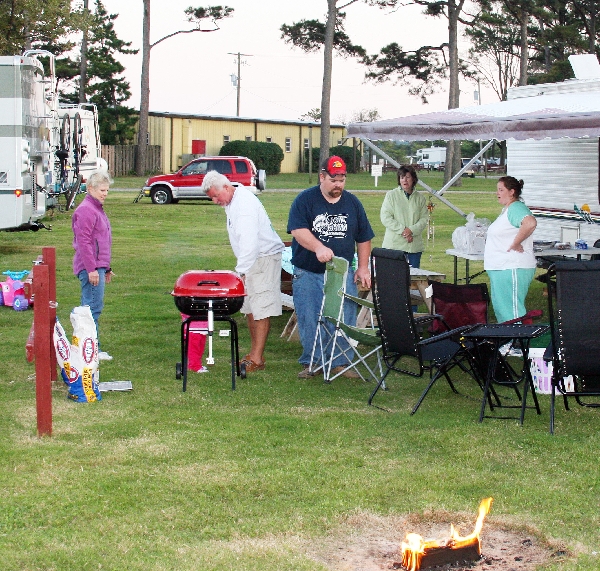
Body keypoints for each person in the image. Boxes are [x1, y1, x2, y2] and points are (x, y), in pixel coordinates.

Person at [287, 156, 375, 379]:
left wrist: (363, 267)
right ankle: (313, 362)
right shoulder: (305, 200)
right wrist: (318, 247)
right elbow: (297, 230)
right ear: (322, 177)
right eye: (334, 180)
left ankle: (340, 363)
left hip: (341, 273)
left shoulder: (353, 203)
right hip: (308, 273)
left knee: (343, 317)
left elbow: (364, 237)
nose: (338, 184)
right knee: (310, 316)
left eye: (342, 180)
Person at [202, 171, 285, 373]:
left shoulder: (244, 205)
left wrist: (239, 272)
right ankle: (254, 354)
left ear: (227, 187)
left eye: (215, 196)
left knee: (262, 308)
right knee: (249, 307)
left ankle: (257, 358)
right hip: (250, 261)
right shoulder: (232, 201)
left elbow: (250, 243)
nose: (215, 201)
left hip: (263, 259)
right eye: (211, 198)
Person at [72, 170, 114, 361]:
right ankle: (89, 351)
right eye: (102, 190)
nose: (105, 194)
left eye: (106, 190)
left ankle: (90, 348)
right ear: (90, 189)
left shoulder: (96, 208)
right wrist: (92, 269)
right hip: (90, 267)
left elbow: (102, 241)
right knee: (90, 310)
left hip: (98, 266)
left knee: (94, 307)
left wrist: (106, 267)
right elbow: (85, 243)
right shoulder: (86, 210)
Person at [484, 176, 537, 324]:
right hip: (502, 268)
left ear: (512, 192)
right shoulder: (507, 209)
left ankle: (517, 344)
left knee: (513, 313)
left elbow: (530, 223)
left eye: (501, 190)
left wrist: (516, 243)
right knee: (504, 311)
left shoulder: (516, 207)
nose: (497, 193)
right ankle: (509, 343)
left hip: (512, 266)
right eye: (497, 190)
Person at [380, 165, 428, 268]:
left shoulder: (420, 198)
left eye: (407, 177)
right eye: (402, 177)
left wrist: (411, 230)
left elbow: (424, 219)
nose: (405, 180)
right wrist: (404, 230)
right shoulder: (391, 195)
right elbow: (386, 217)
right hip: (394, 246)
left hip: (414, 247)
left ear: (413, 179)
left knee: (412, 280)